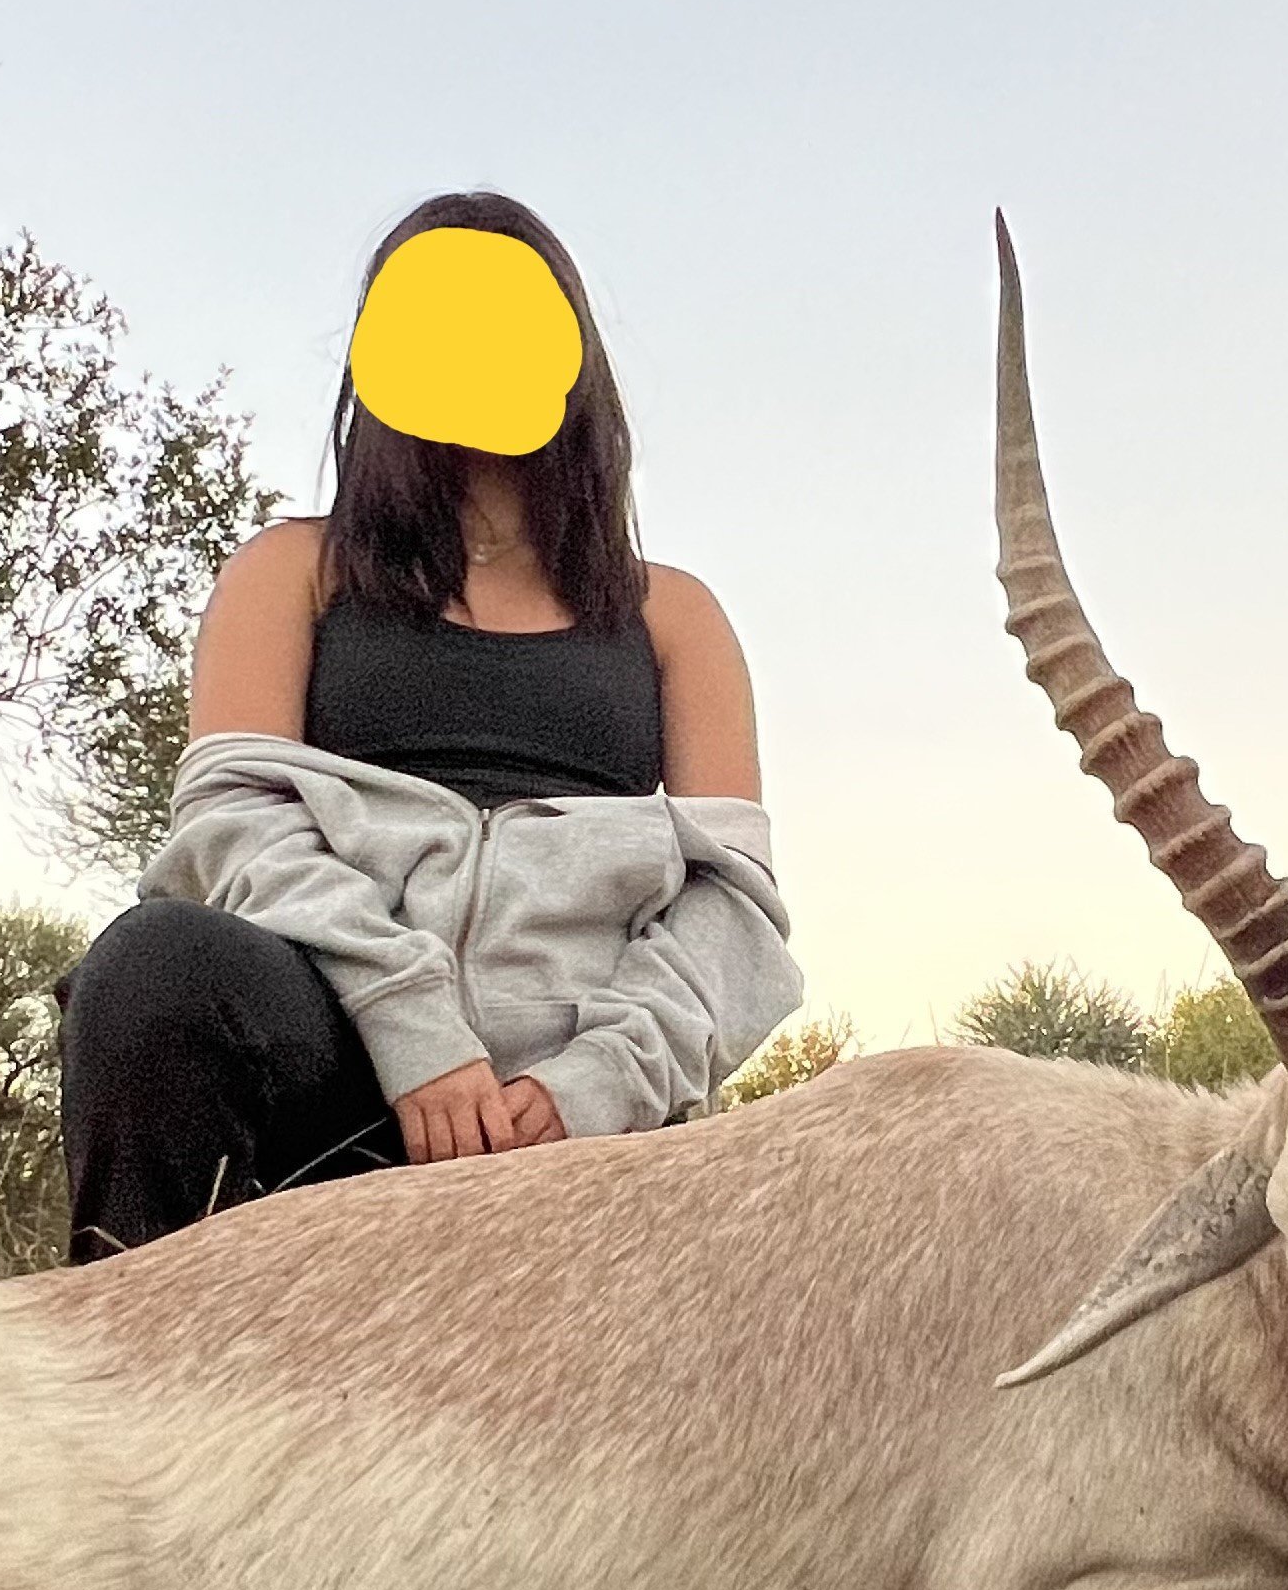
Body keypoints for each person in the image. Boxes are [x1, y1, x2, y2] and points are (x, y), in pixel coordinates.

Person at [57, 192, 801, 1263]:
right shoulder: (294, 572)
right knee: (154, 966)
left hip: (581, 1102)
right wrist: (417, 1034)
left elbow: (734, 907)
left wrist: (592, 1084)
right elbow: (234, 824)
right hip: (347, 1050)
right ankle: (117, 1380)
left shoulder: (672, 614)